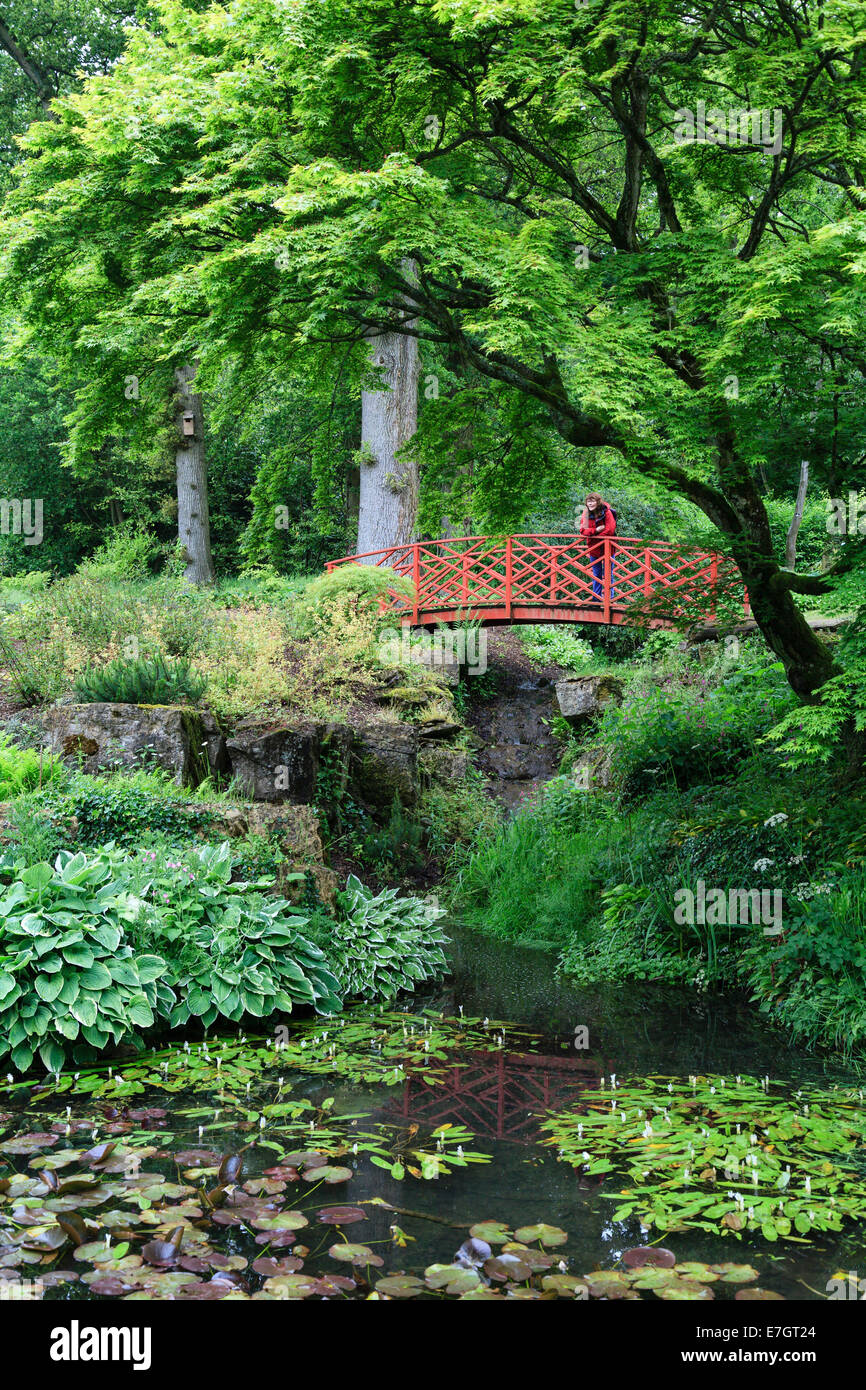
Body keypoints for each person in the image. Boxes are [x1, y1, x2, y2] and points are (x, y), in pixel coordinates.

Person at [578, 493, 617, 601]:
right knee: (596, 574)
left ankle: (610, 599)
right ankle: (596, 599)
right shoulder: (586, 513)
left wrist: (594, 536)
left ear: (598, 502)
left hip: (608, 547)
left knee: (608, 573)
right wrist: (595, 530)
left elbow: (610, 530)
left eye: (593, 501)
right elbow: (583, 530)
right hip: (594, 549)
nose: (590, 503)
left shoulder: (607, 512)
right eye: (588, 501)